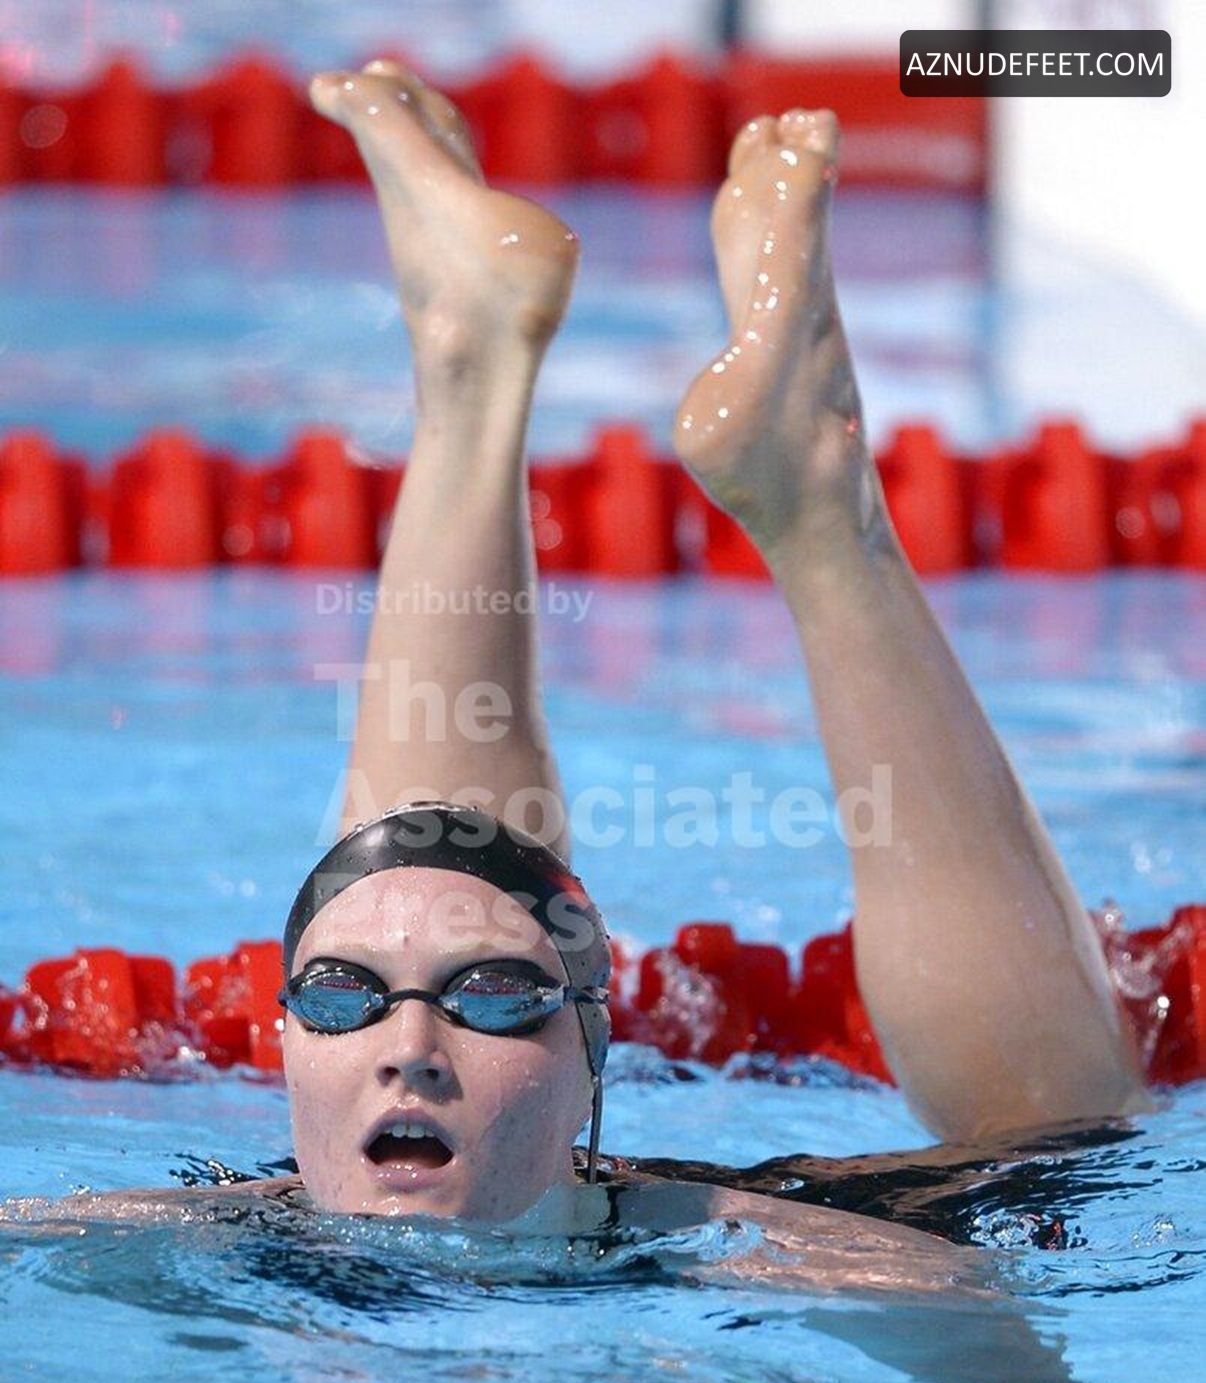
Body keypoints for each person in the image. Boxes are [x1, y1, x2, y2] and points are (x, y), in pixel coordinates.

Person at [1, 64, 1151, 1291]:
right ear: (282, 1044)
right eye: (337, 999)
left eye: (499, 997)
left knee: (1050, 1150)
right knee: (1053, 1137)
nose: (407, 1047)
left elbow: (978, 1323)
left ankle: (756, 485)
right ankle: (603, 414)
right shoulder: (175, 1231)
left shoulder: (804, 1257)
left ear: (593, 1052)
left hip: (805, 1226)